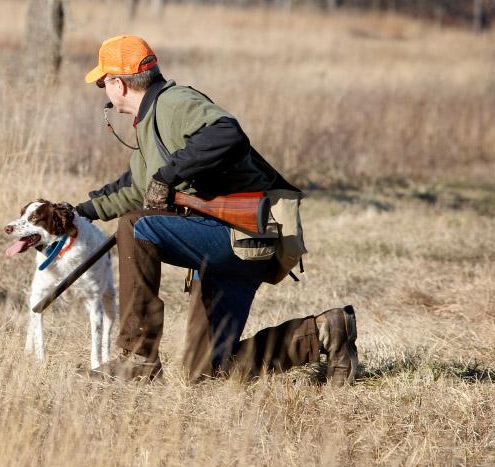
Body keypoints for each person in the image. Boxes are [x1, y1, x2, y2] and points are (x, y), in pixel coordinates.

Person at [71, 35, 358, 384]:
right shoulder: (148, 126)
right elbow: (133, 189)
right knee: (207, 371)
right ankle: (326, 331)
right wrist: (77, 213)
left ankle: (137, 359)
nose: (104, 90)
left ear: (119, 83)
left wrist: (168, 176)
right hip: (228, 244)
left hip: (242, 235)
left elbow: (227, 135)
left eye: (104, 82)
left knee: (135, 227)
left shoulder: (173, 102)